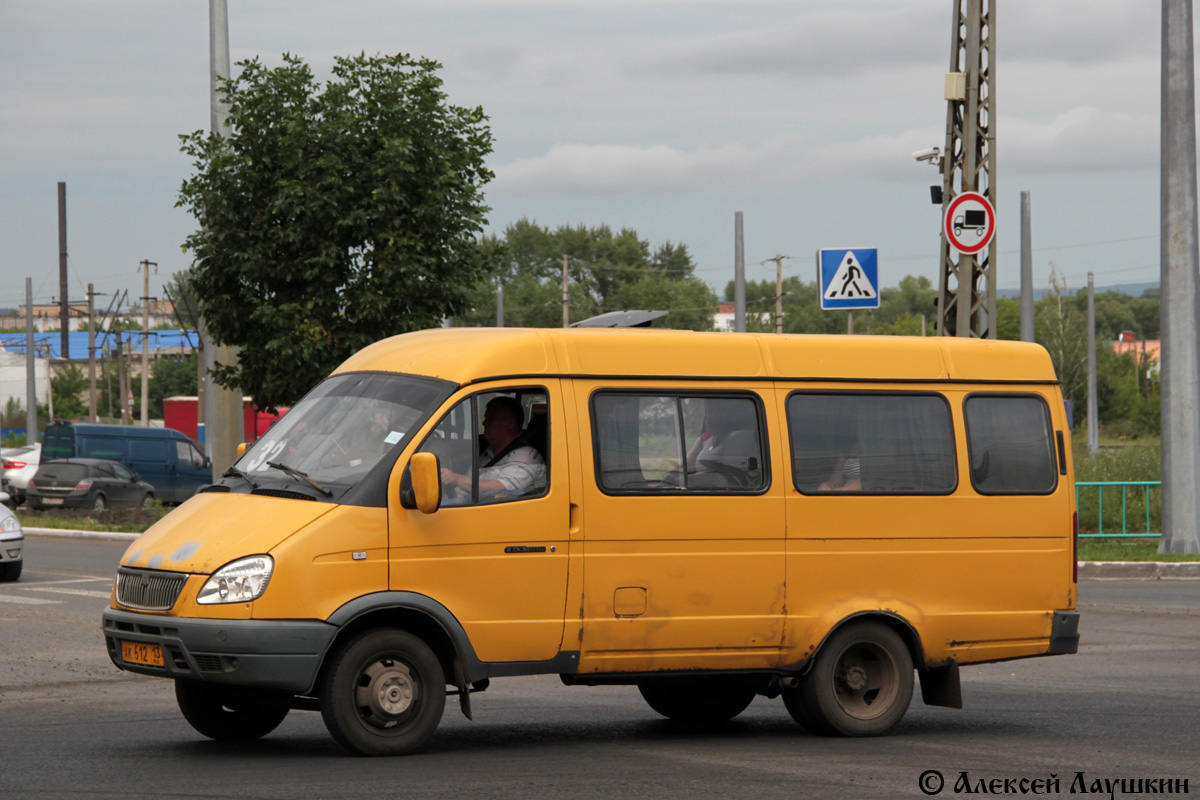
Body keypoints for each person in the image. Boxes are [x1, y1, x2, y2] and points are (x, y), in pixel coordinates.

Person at [440, 396, 546, 496]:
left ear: (510, 423)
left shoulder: (526, 456)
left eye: (490, 419)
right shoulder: (487, 453)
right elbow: (466, 489)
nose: (484, 423)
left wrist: (456, 478)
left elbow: (501, 488)